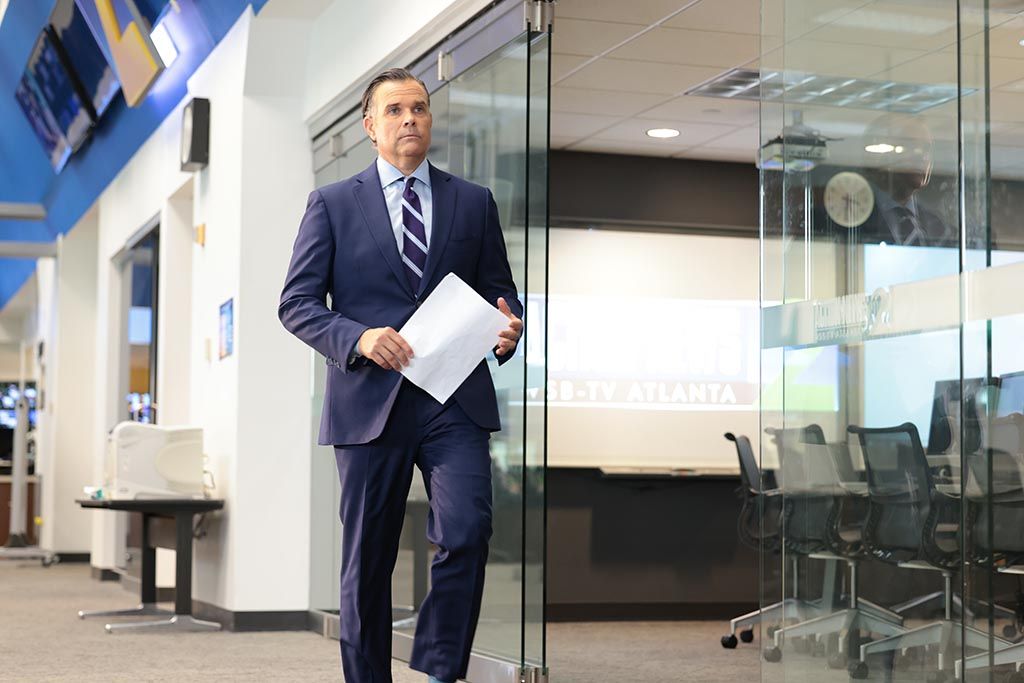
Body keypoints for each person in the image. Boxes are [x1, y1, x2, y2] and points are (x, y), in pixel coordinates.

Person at [278, 67, 523, 683]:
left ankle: (440, 669)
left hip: (453, 400)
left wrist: (508, 330)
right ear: (370, 126)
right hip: (370, 402)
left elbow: (500, 294)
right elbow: (297, 303)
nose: (409, 118)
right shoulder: (332, 204)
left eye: (419, 108)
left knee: (467, 529)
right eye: (394, 110)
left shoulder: (474, 201)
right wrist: (357, 337)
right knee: (368, 560)